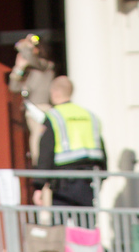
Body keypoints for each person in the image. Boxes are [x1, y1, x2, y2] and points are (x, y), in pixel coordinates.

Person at [36, 76, 107, 210]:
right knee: (85, 225)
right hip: (88, 180)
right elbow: (102, 149)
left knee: (61, 228)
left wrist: (39, 185)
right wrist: (102, 177)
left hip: (63, 182)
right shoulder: (89, 116)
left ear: (55, 93)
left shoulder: (54, 116)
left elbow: (46, 152)